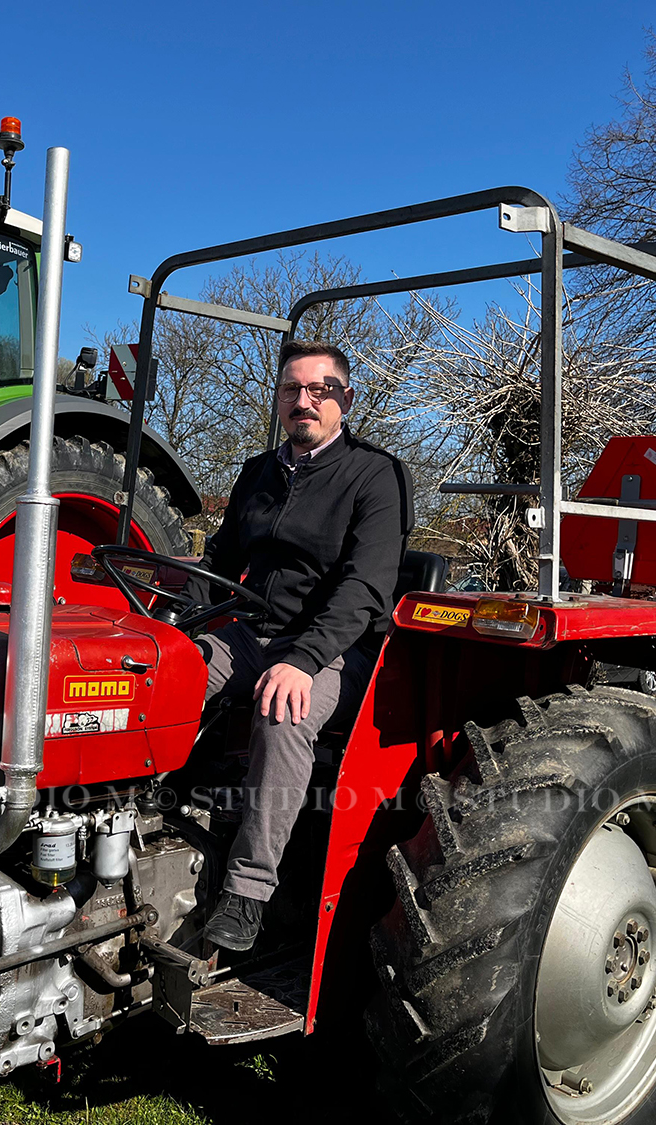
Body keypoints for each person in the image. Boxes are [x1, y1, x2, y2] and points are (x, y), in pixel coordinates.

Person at [193, 339, 413, 952]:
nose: (304, 401)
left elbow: (366, 587)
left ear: (346, 399)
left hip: (338, 649)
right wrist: (174, 621)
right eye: (292, 389)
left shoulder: (376, 475)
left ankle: (248, 890)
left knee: (283, 709)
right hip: (250, 634)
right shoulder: (257, 473)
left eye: (320, 389)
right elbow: (220, 562)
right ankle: (147, 818)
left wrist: (302, 659)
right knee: (168, 672)